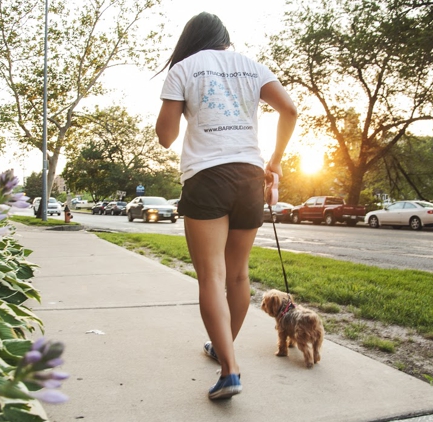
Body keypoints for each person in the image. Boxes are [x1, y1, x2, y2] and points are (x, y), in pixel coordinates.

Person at [155, 12, 297, 400]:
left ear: (191, 39)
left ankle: (230, 369)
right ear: (224, 38)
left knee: (211, 276)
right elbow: (290, 110)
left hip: (207, 177)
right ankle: (223, 349)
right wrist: (276, 160)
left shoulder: (184, 68)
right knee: (237, 275)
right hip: (251, 175)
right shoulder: (251, 66)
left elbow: (166, 136)